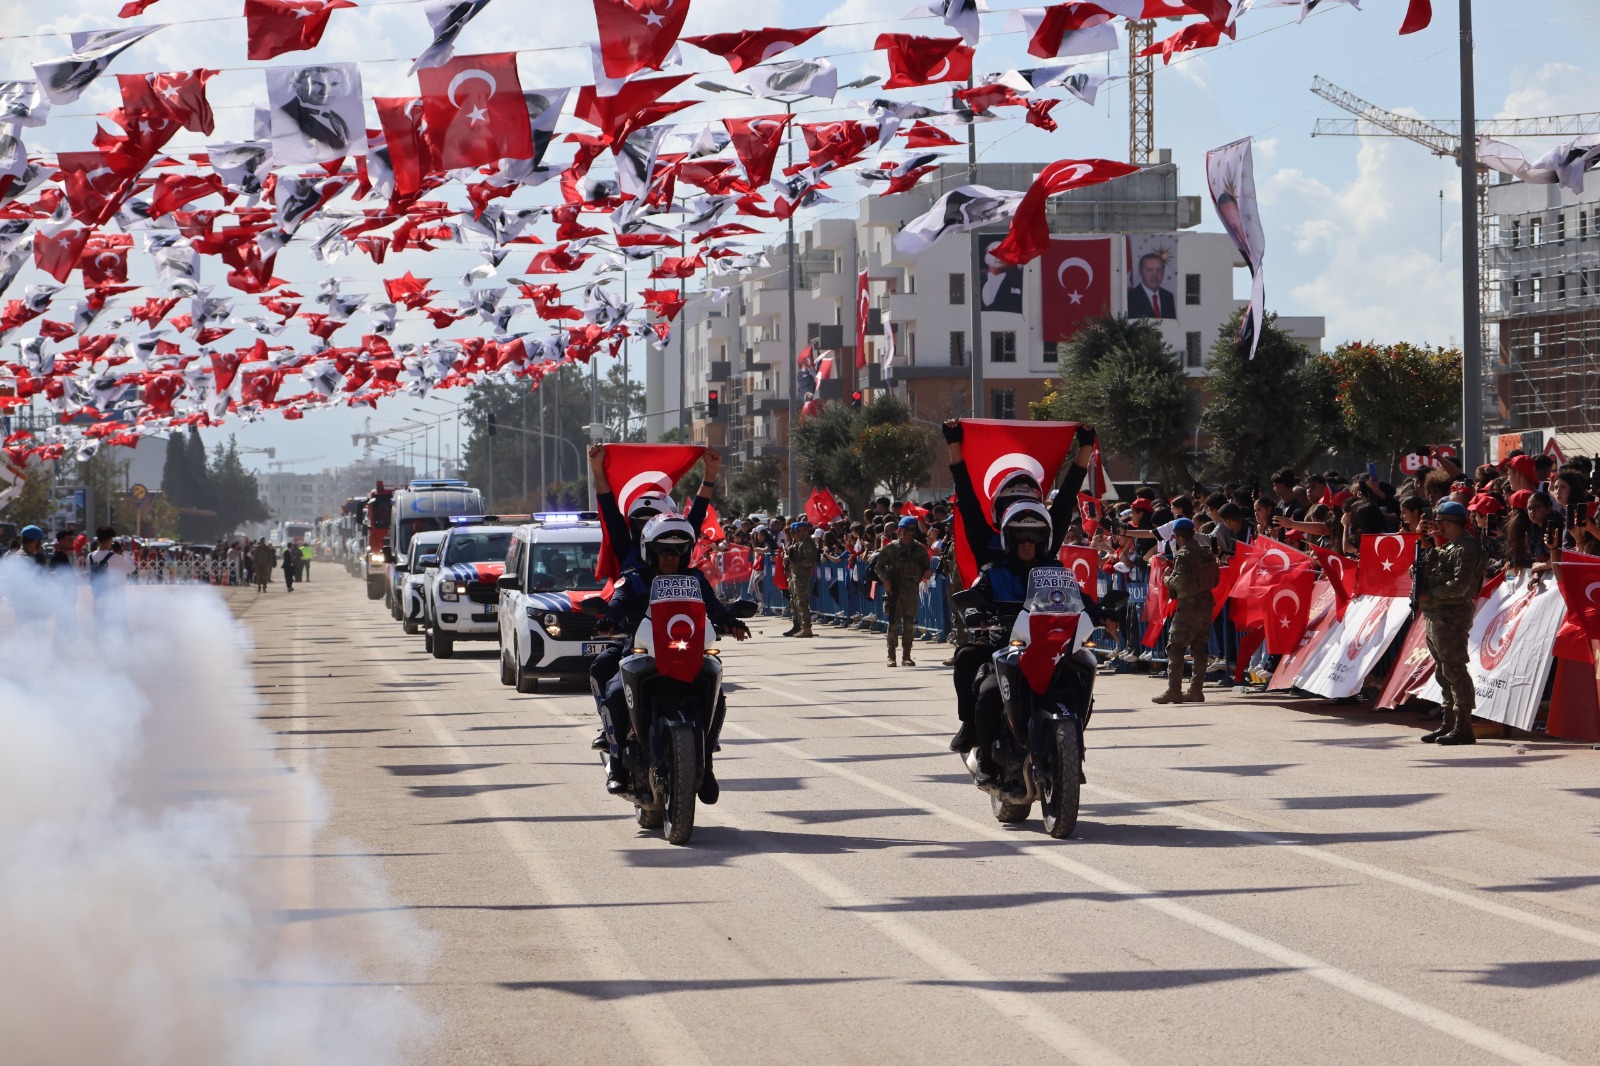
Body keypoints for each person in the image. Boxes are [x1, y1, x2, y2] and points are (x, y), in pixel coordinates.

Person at [592, 514, 750, 802]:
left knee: (718, 696)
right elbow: (615, 604)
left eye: (677, 551)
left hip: (687, 652)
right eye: (663, 550)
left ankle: (708, 764)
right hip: (644, 652)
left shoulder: (696, 578)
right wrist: (609, 619)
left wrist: (732, 621)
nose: (670, 557)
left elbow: (714, 609)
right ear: (650, 552)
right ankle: (616, 764)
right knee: (615, 693)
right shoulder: (634, 579)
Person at [964, 503, 1121, 785]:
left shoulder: (1057, 571)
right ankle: (987, 758)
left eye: (1034, 537)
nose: (1028, 543)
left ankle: (1071, 750)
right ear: (1009, 539)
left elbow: (1080, 600)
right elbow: (975, 595)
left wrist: (1101, 613)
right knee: (988, 692)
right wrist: (975, 611)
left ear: (1044, 541)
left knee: (1080, 674)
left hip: (1053, 645)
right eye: (1021, 536)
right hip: (1008, 645)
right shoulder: (992, 572)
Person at [1416, 501, 1488, 745]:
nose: (1436, 526)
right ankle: (1448, 721)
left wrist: (1430, 595)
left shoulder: (1466, 549)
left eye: (1439, 522)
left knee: (1454, 669)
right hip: (1436, 615)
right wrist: (1425, 542)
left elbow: (1461, 586)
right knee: (1442, 669)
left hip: (1452, 616)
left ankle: (1463, 724)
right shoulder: (1447, 547)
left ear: (1448, 522)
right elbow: (1420, 570)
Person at [1153, 518, 1220, 705]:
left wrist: (1166, 579)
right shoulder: (1205, 552)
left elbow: (1179, 582)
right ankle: (1196, 690)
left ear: (1178, 536)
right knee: (1199, 647)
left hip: (1188, 606)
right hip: (1205, 604)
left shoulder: (1184, 555)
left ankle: (1174, 690)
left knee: (1175, 647)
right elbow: (1215, 579)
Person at [876, 516, 933, 667]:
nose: (910, 533)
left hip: (911, 590)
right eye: (908, 530)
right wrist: (886, 581)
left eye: (913, 530)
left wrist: (927, 573)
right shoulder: (891, 548)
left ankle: (906, 656)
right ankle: (891, 656)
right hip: (895, 590)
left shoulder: (919, 549)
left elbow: (926, 567)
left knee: (909, 624)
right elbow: (878, 566)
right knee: (893, 624)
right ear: (900, 530)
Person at [87, 526, 135, 622]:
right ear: (109, 539)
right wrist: (125, 552)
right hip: (115, 600)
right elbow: (131, 568)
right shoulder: (115, 557)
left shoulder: (90, 556)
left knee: (100, 627)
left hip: (98, 598)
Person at [784, 519, 819, 637]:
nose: (795, 534)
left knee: (802, 602)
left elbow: (809, 561)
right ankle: (798, 625)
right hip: (795, 575)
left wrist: (796, 564)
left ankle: (807, 628)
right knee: (795, 601)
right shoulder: (798, 543)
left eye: (797, 531)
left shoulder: (807, 544)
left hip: (802, 576)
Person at [1127, 252, 1177, 319]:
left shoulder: (1168, 297)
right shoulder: (1130, 298)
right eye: (1150, 270)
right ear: (1140, 272)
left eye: (1159, 270)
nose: (1155, 275)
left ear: (1163, 272)